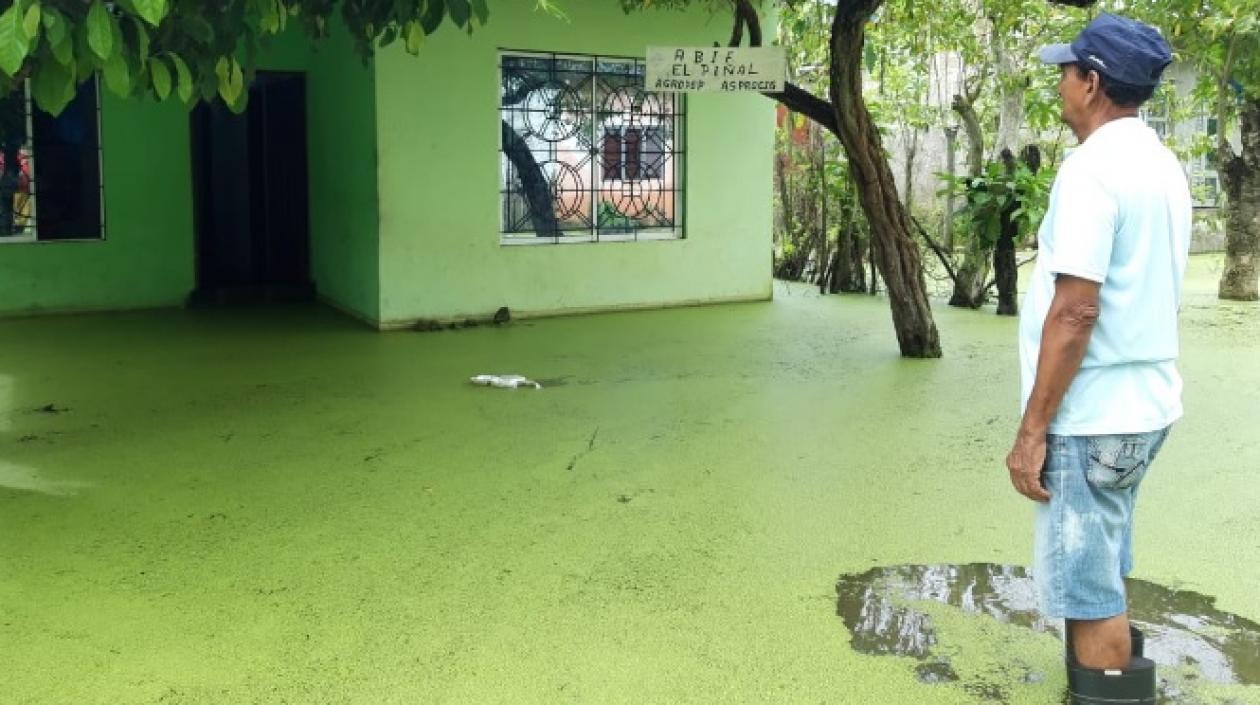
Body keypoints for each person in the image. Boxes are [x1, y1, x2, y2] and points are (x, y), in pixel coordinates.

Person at [1004, 12, 1189, 704]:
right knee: (1103, 567)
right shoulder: (1160, 163)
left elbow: (1076, 309)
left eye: (1066, 72)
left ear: (1093, 82)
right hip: (1146, 406)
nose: (1059, 85)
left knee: (1088, 591)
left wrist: (1032, 431)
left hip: (1093, 418)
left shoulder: (1092, 171)